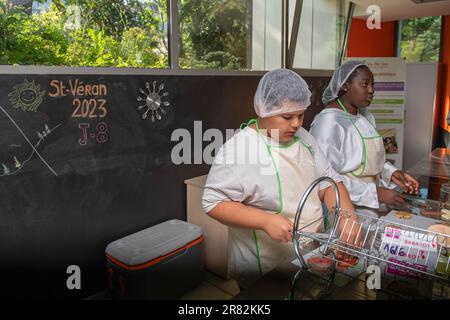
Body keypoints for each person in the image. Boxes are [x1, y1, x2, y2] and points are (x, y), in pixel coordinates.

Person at [202, 68, 359, 289]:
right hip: (265, 267)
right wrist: (264, 221)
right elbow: (213, 202)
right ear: (262, 110)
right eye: (287, 117)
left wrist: (346, 216)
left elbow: (327, 181)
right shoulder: (241, 148)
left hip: (310, 256)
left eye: (301, 115)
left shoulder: (303, 138)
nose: (296, 123)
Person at [310, 60, 419, 215]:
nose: (371, 90)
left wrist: (392, 172)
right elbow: (326, 178)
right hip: (345, 208)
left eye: (372, 85)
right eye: (364, 84)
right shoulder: (328, 123)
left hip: (373, 205)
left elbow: (373, 160)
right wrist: (376, 193)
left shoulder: (366, 117)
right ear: (345, 86)